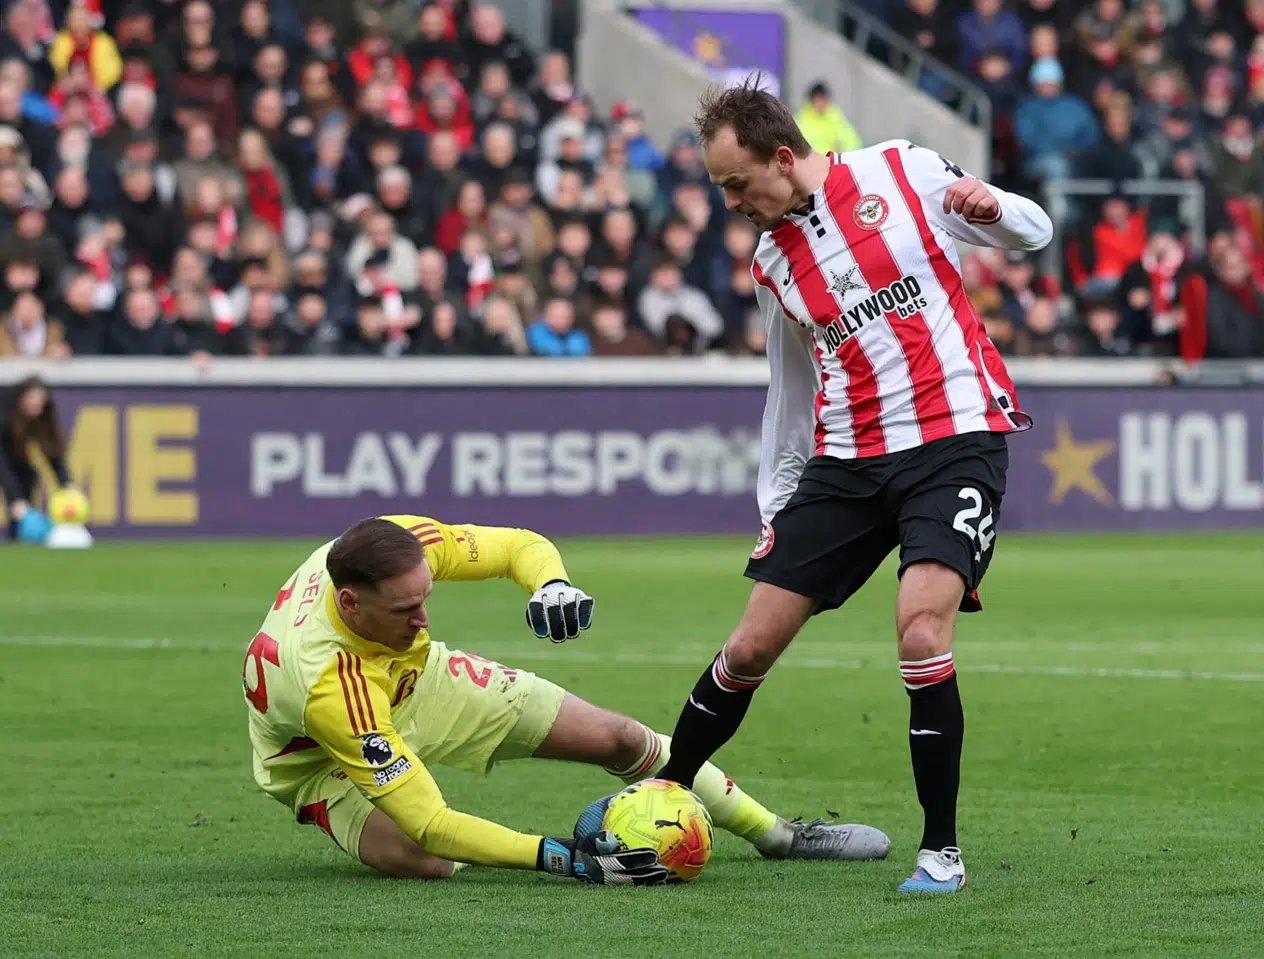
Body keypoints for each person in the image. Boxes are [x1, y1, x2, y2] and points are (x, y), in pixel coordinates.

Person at [653, 79, 1053, 895]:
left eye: (737, 183)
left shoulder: (900, 171)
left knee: (921, 629)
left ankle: (941, 852)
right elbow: (790, 395)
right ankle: (658, 795)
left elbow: (1034, 231)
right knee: (750, 646)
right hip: (848, 462)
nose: (731, 203)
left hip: (954, 439)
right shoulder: (772, 263)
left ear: (784, 157)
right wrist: (776, 508)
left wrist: (994, 206)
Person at [244, 514, 890, 883]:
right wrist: (561, 855)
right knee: (430, 857)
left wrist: (550, 583)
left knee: (620, 738)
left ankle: (779, 835)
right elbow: (431, 822)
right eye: (405, 609)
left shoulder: (399, 547)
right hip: (321, 757)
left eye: (426, 598)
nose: (423, 618)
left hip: (419, 683)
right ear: (351, 603)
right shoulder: (331, 685)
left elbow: (518, 546)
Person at [0, 376, 77, 538]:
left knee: (28, 474)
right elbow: (3, 464)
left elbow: (53, 452)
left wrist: (67, 484)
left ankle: (18, 536)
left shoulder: (44, 414)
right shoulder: (4, 415)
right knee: (18, 500)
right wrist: (15, 499)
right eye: (32, 399)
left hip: (16, 462)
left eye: (40, 400)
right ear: (21, 398)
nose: (36, 404)